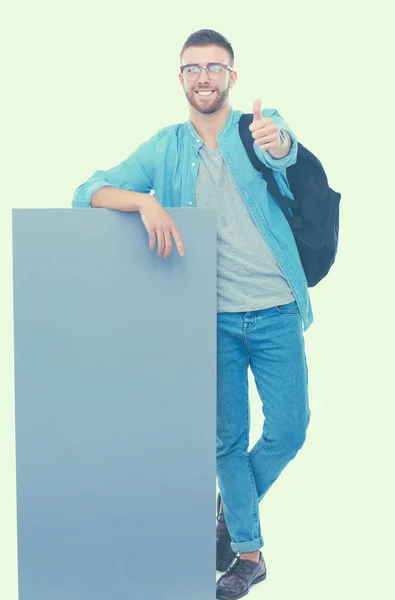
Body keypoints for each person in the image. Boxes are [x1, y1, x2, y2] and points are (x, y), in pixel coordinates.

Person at [72, 28, 312, 600]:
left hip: (276, 307)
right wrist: (145, 200)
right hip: (211, 317)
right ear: (180, 78)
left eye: (215, 66)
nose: (204, 76)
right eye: (192, 68)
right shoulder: (166, 147)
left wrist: (277, 143)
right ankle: (249, 556)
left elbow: (287, 155)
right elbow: (88, 191)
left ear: (233, 76)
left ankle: (230, 513)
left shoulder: (259, 126)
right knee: (226, 440)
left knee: (289, 430)